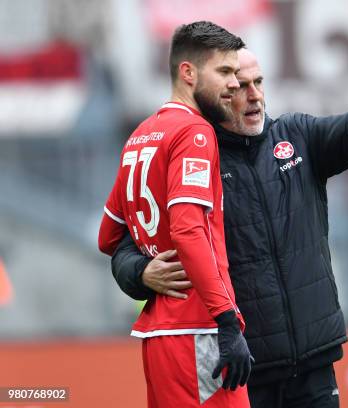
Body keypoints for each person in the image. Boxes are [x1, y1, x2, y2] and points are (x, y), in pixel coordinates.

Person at [110, 48, 348, 407]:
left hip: (314, 363)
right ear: (216, 95)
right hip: (244, 369)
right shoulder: (194, 156)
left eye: (258, 82)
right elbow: (124, 239)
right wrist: (140, 272)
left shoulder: (297, 136)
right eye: (241, 86)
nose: (255, 95)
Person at [97, 21, 253, 408]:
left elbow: (108, 235)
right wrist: (228, 320)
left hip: (160, 335)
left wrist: (141, 270)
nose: (234, 83)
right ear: (188, 72)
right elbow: (187, 230)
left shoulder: (142, 135)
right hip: (198, 330)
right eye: (225, 72)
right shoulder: (194, 133)